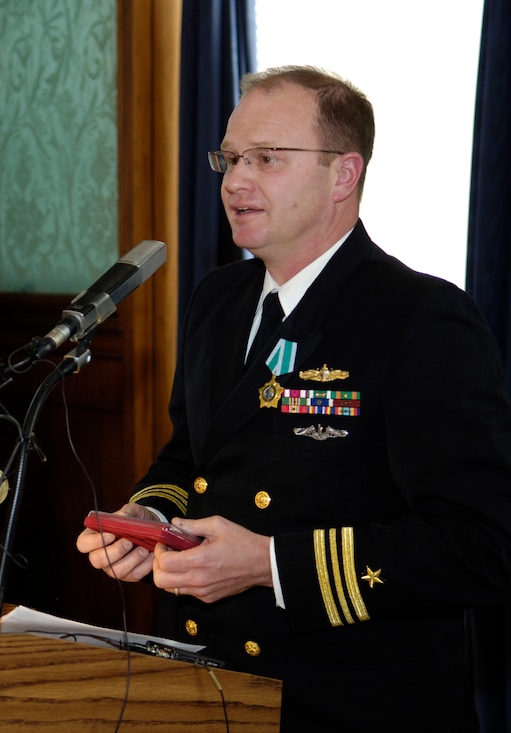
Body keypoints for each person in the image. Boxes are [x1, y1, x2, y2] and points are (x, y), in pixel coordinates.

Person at [77, 65, 511, 730]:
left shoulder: (420, 316)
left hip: (349, 703)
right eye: (230, 157)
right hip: (206, 682)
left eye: (268, 159)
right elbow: (188, 455)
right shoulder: (215, 300)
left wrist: (266, 563)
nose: (235, 181)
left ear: (344, 174)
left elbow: (480, 545)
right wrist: (148, 516)